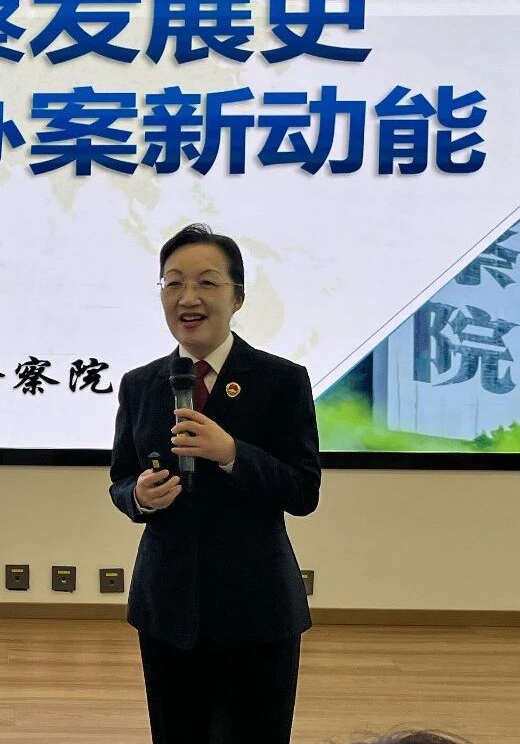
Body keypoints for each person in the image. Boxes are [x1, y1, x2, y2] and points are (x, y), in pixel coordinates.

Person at [108, 223, 322, 743]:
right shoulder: (140, 384)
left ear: (237, 297)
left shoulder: (282, 380)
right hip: (167, 606)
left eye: (207, 282)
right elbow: (120, 479)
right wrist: (138, 497)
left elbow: (303, 491)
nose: (188, 298)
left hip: (257, 609)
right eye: (173, 283)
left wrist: (232, 454)